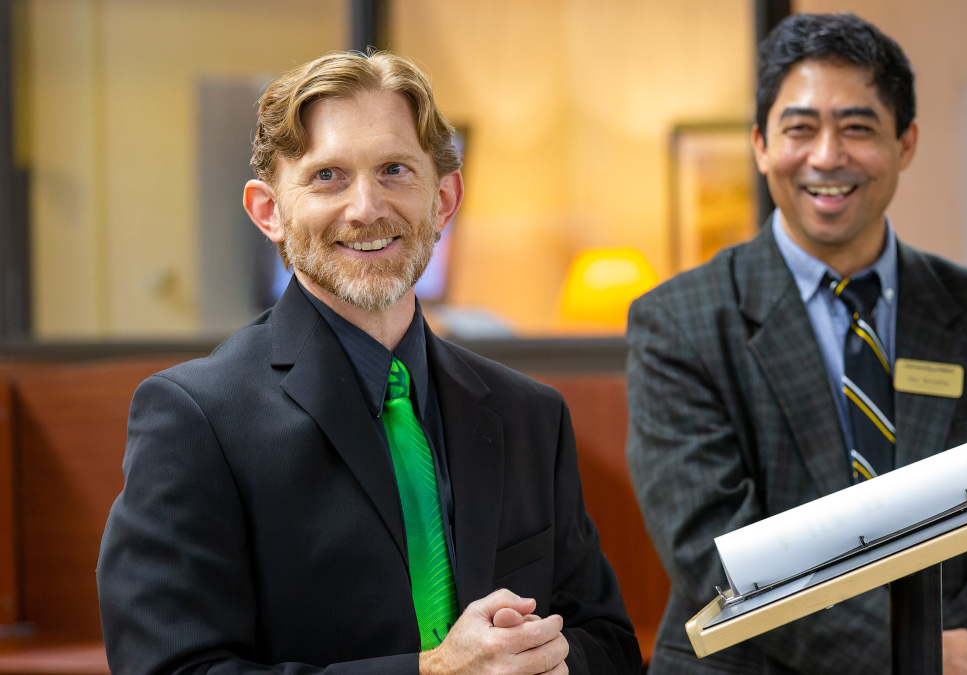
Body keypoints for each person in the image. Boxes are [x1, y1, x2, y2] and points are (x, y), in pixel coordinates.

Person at [97, 51, 640, 675]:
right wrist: (431, 673)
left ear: (444, 198)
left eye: (394, 170)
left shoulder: (530, 416)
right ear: (268, 211)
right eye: (327, 175)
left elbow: (609, 643)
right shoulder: (196, 419)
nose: (366, 208)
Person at [625, 12, 967, 675]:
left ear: (906, 143)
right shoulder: (680, 322)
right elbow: (713, 550)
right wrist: (912, 652)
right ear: (760, 144)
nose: (827, 156)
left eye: (858, 127)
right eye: (799, 128)